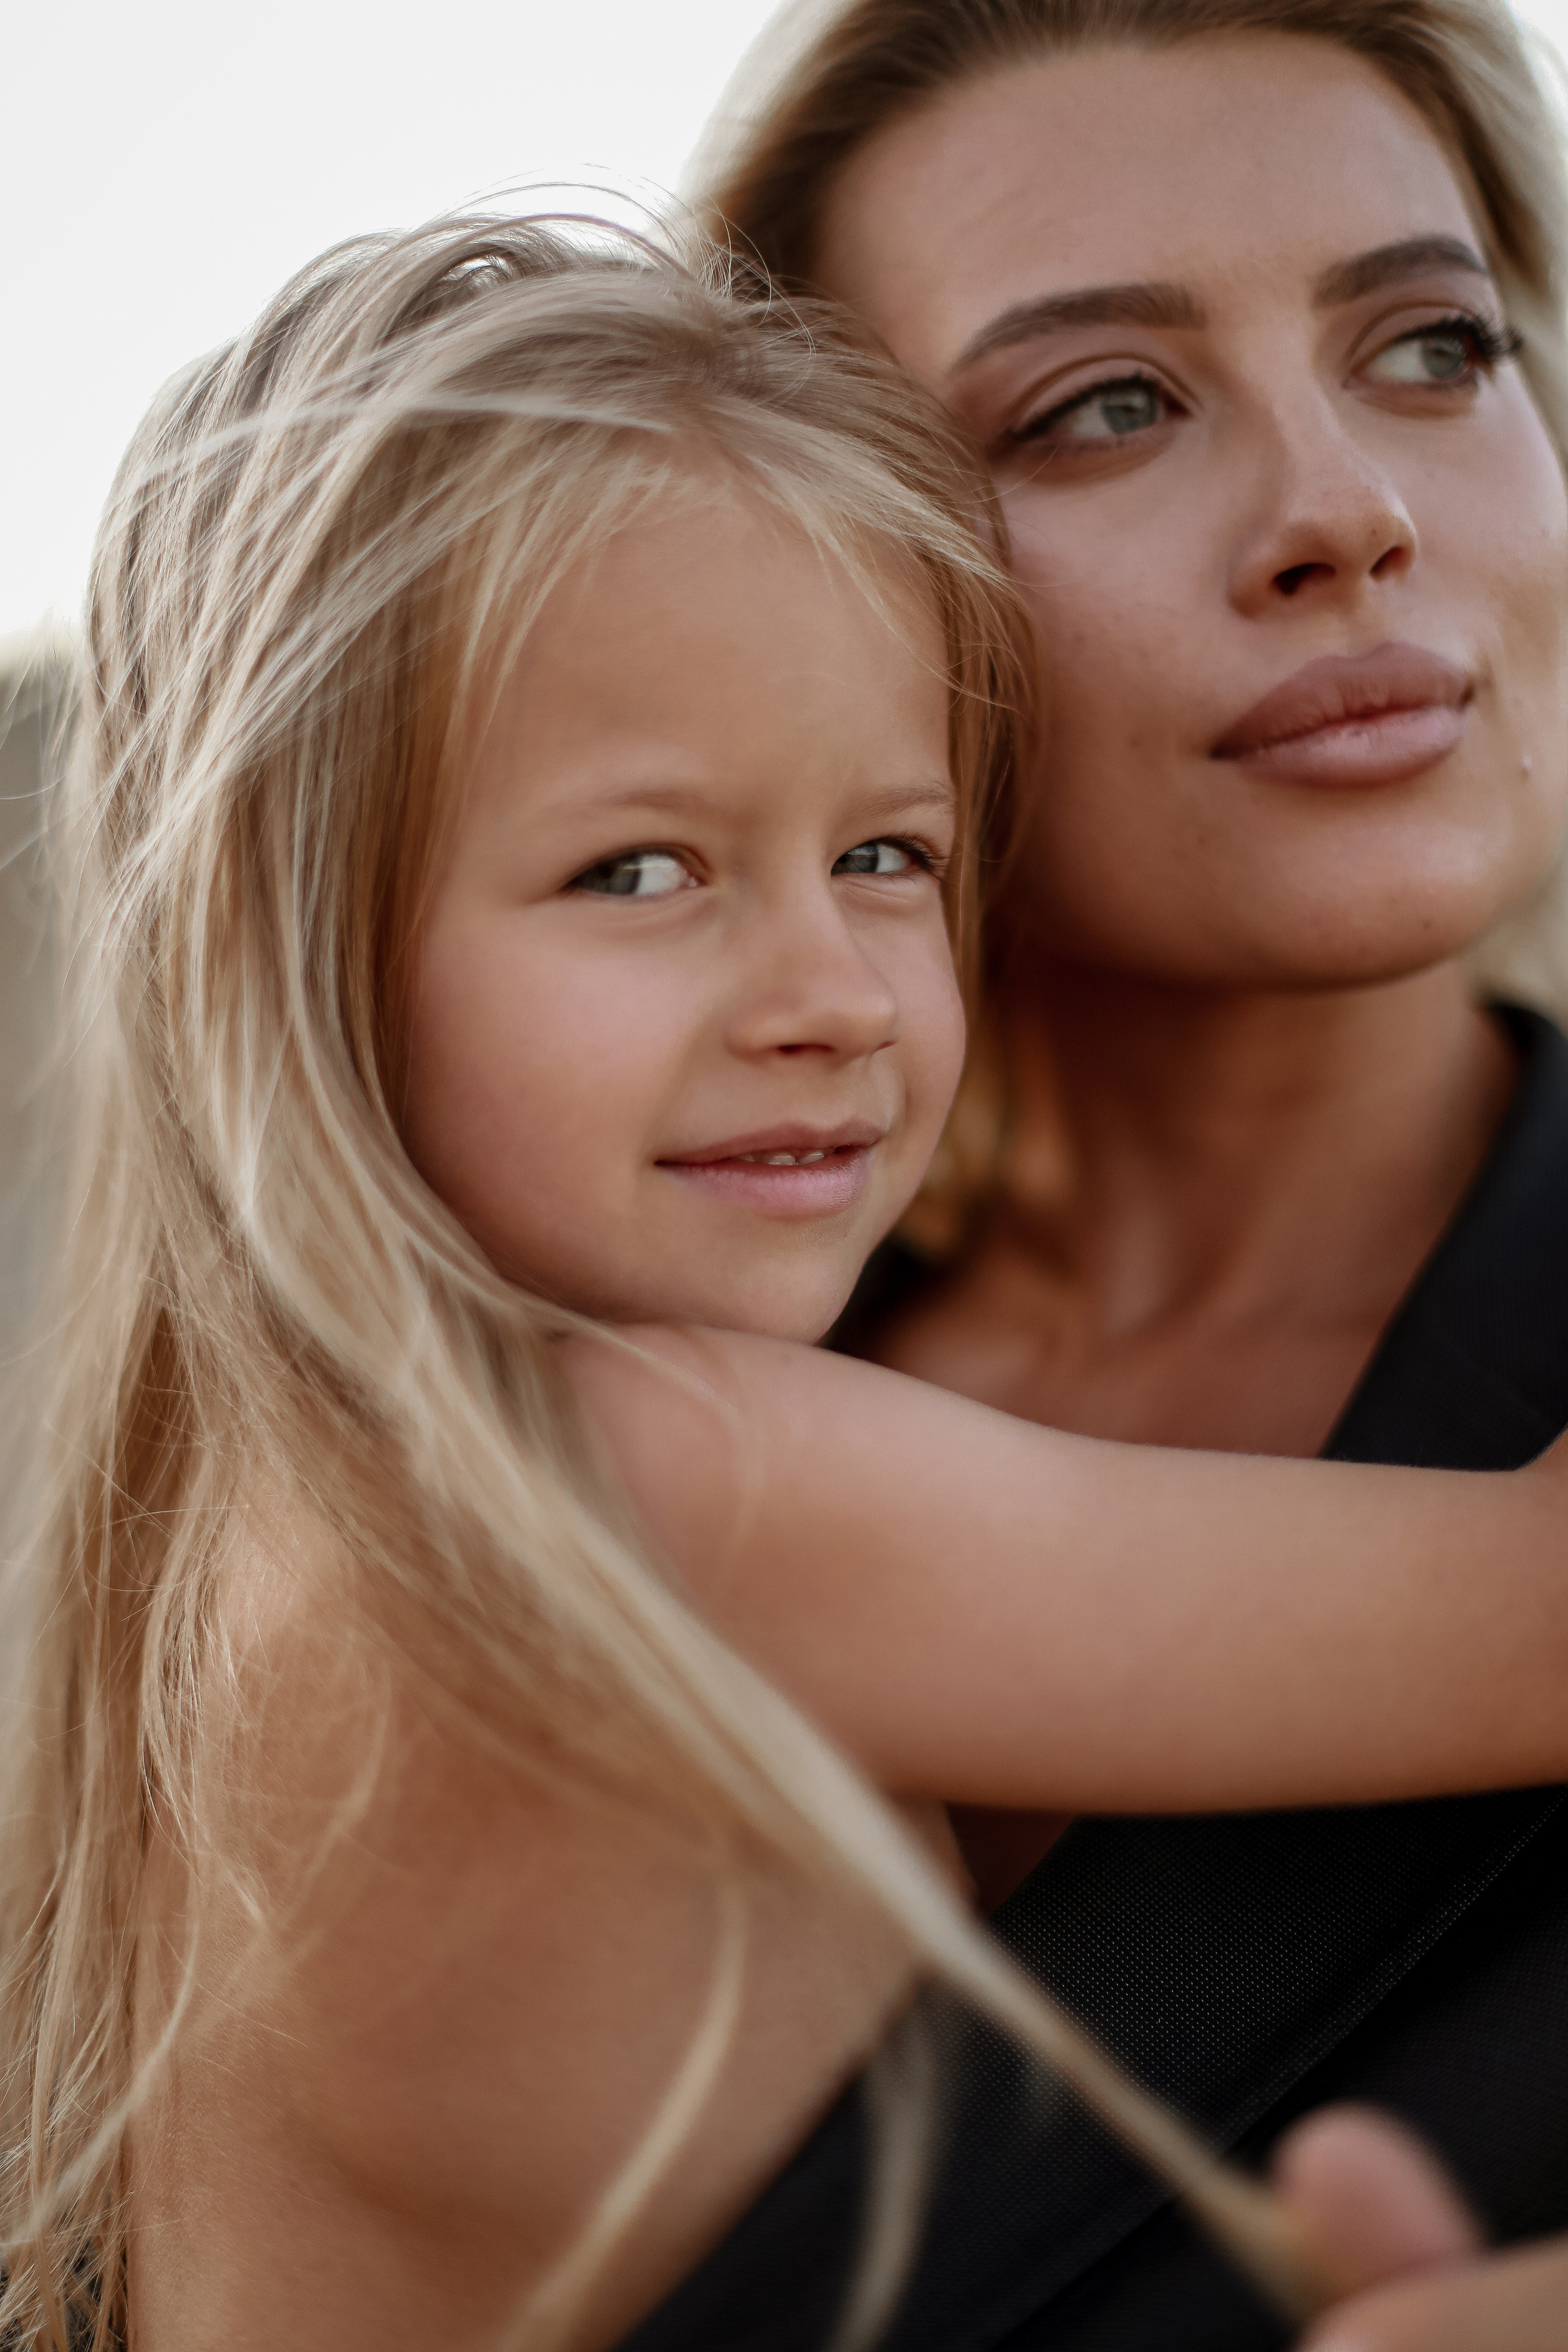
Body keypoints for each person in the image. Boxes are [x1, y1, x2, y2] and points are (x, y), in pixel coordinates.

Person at [10, 204, 1568, 2352]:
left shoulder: (254, 1523)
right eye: (639, 868)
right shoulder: (648, 1484)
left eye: (887, 857)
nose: (831, 992)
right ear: (293, 957)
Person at [602, 0, 1568, 2345]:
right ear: (812, 572)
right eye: (1106, 403)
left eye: (1436, 345)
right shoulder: (566, 1416)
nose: (1350, 507)